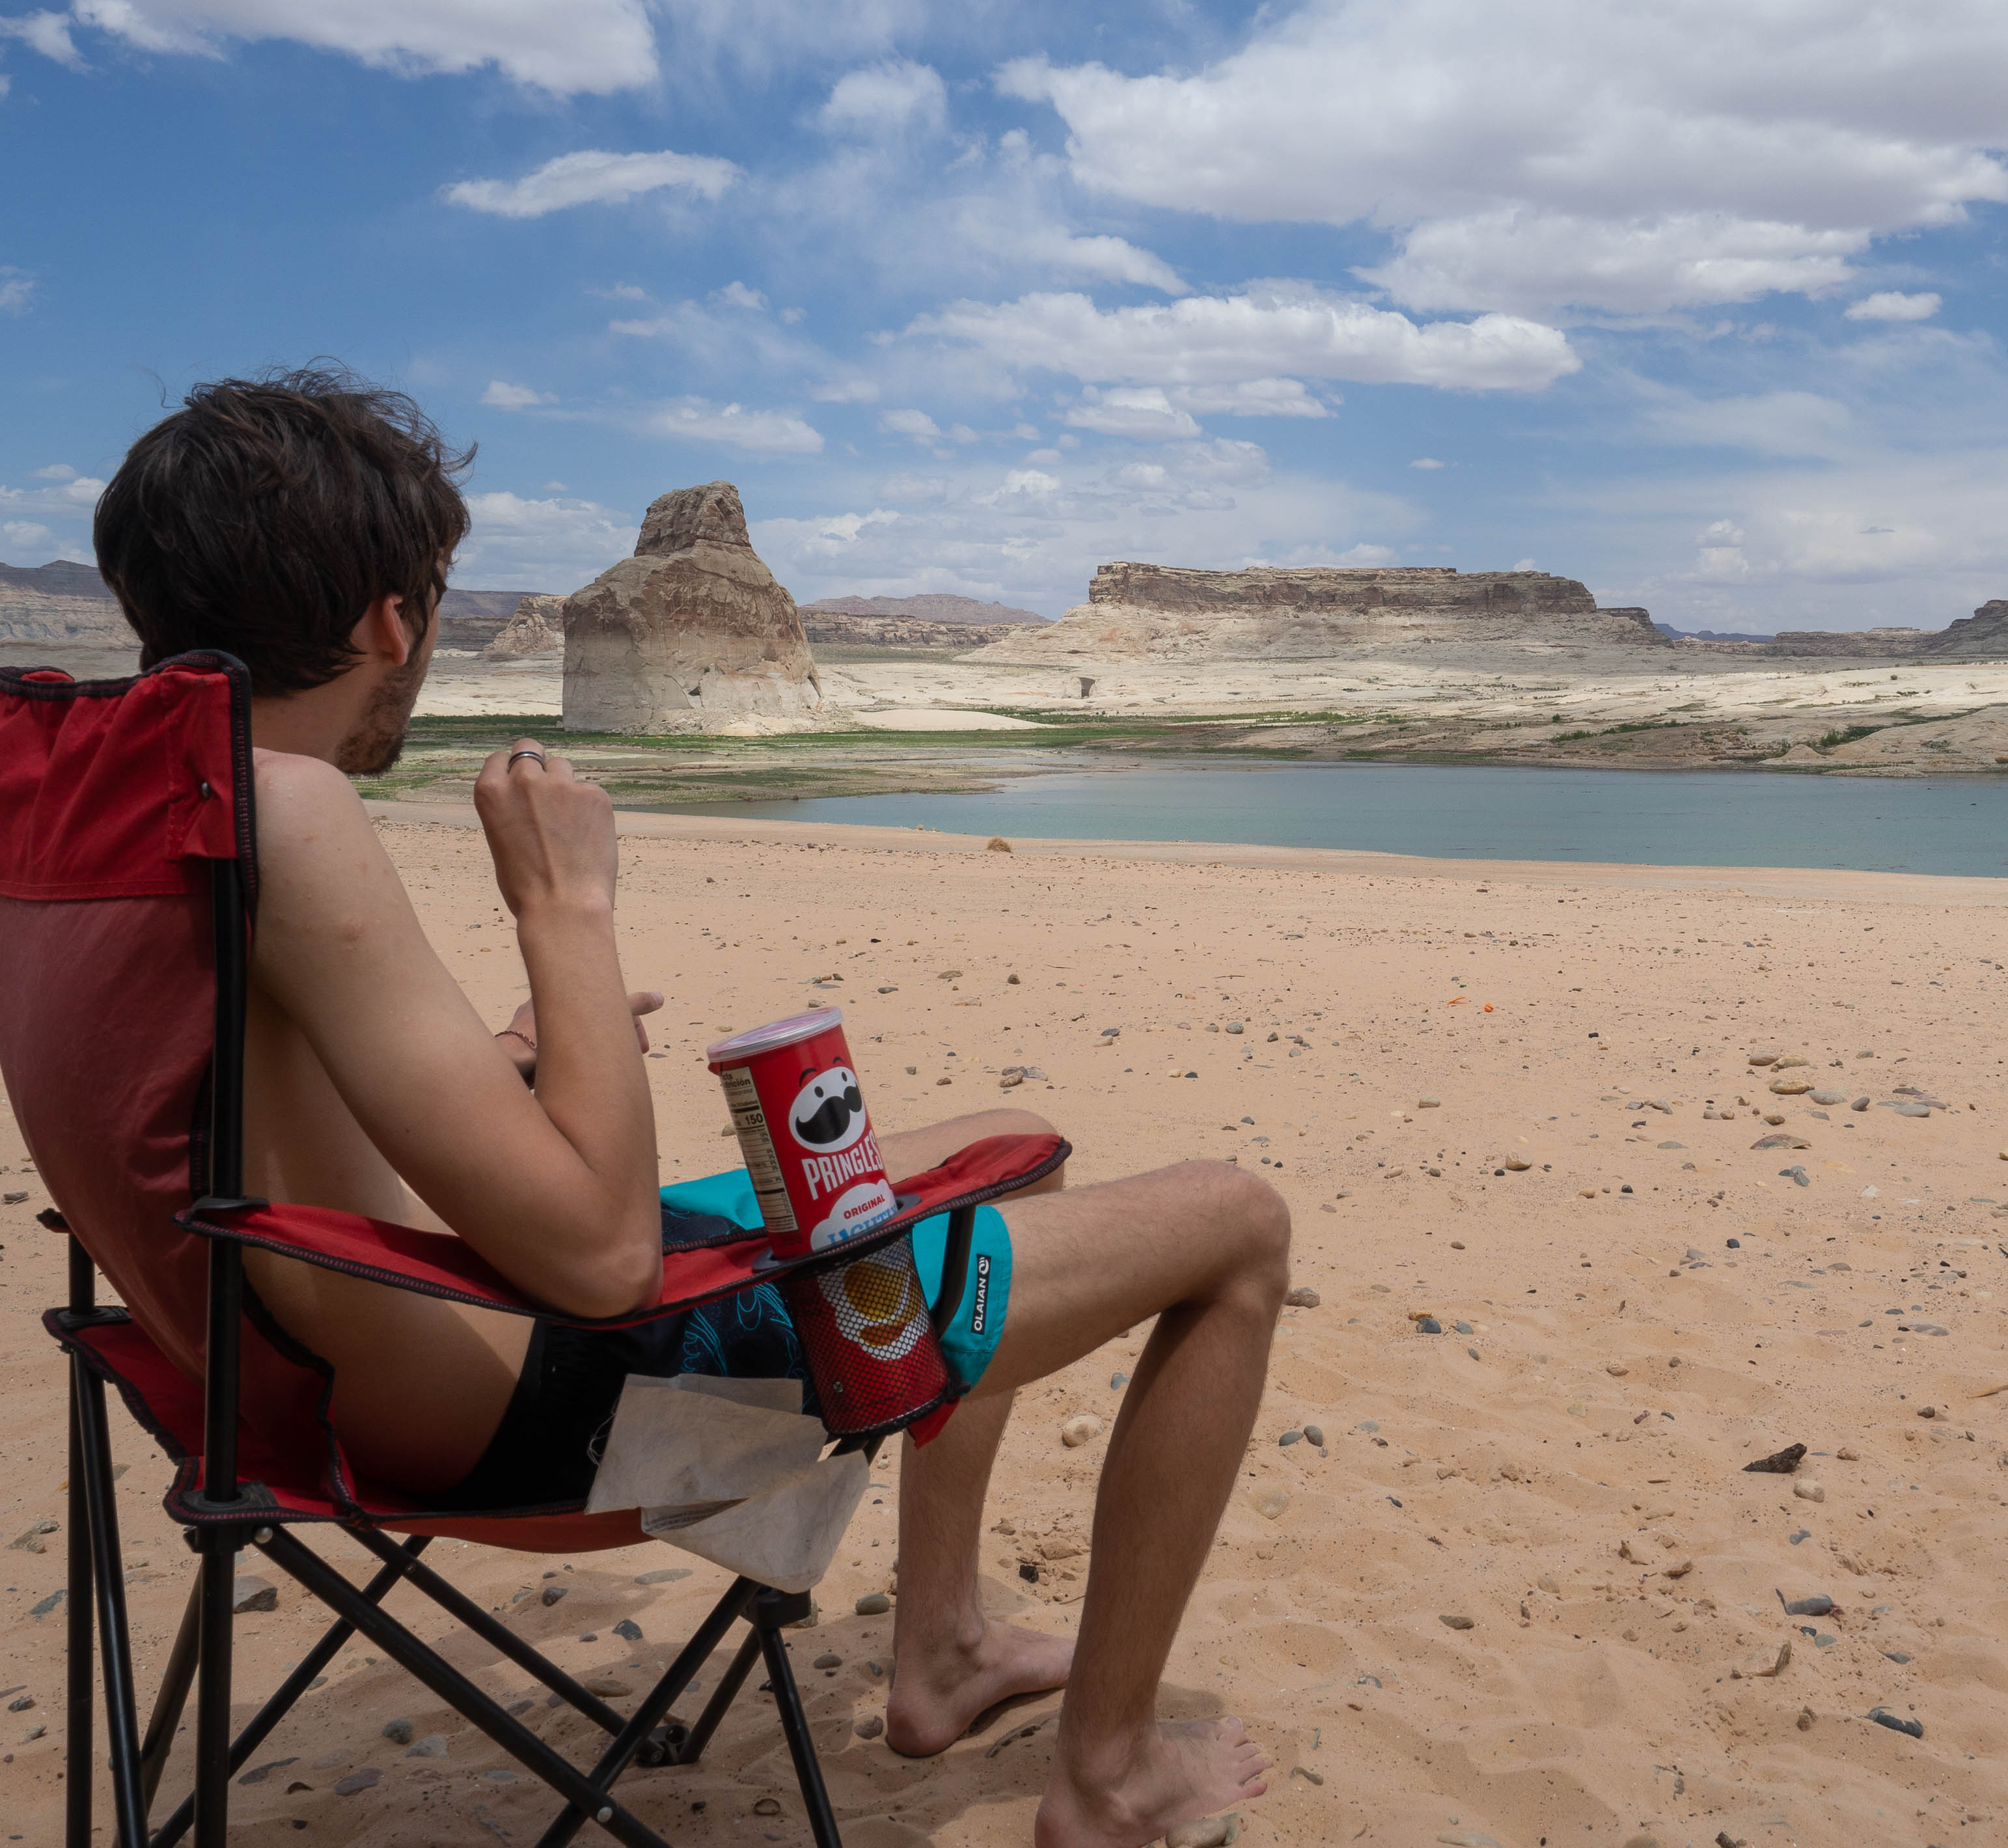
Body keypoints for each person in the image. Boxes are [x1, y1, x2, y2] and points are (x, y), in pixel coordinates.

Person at [88, 367, 1288, 1848]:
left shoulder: (115, 801)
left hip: (259, 1378)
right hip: (522, 1405)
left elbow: (241, 1106)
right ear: (393, 619)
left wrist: (494, 1063)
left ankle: (947, 1644)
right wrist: (570, 911)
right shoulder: (292, 804)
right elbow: (601, 1263)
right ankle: (1105, 1781)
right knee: (1236, 1223)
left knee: (1004, 1154)